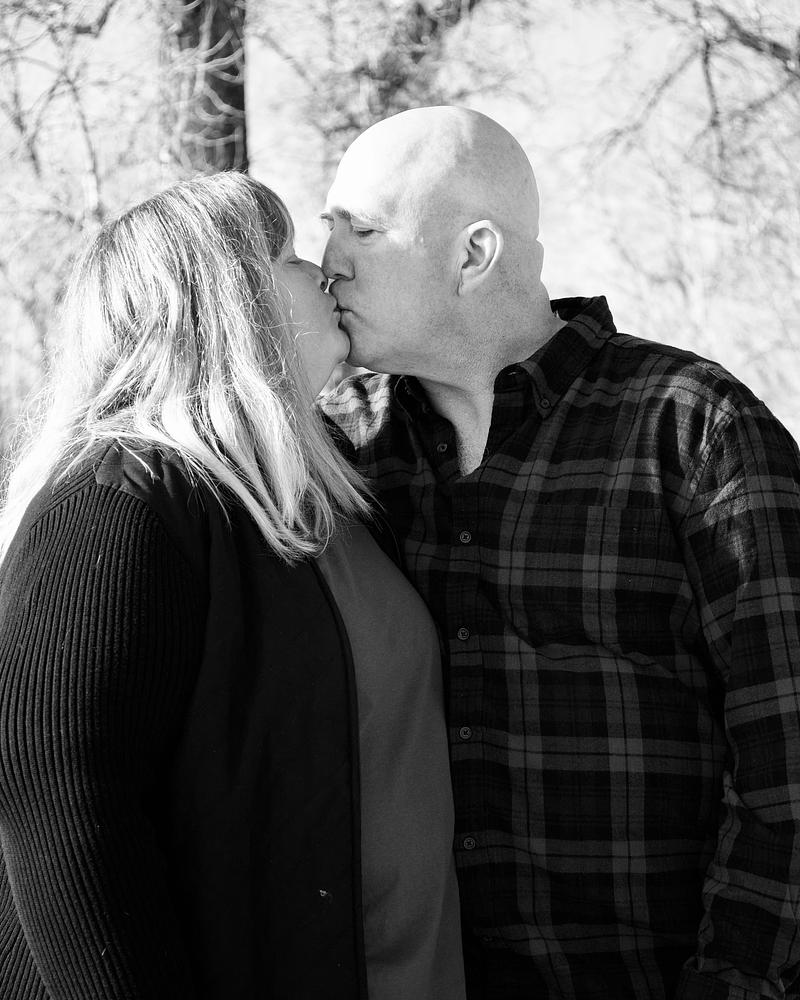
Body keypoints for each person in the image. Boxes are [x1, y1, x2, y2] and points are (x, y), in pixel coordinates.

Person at [320, 106, 800, 1000]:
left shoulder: (692, 428)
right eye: (329, 230)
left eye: (364, 231)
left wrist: (736, 983)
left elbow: (787, 753)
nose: (330, 263)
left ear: (474, 254)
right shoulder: (337, 452)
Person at [0, 172, 466, 1000]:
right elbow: (58, 797)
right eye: (287, 254)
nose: (322, 269)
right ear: (225, 304)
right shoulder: (121, 500)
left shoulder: (326, 493)